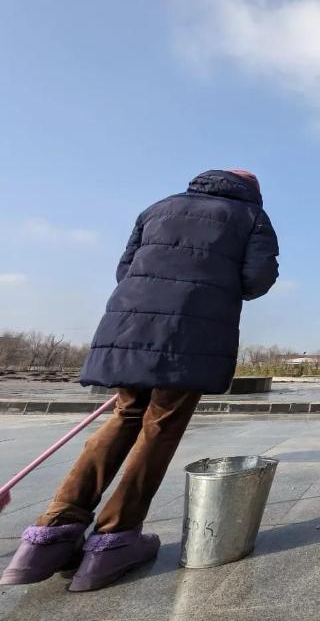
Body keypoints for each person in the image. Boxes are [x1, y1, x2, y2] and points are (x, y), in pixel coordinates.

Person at [0, 169, 279, 592]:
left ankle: (52, 532)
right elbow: (256, 279)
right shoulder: (249, 217)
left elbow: (124, 270)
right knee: (161, 425)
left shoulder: (158, 208)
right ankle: (115, 536)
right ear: (251, 191)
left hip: (131, 325)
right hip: (192, 329)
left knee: (124, 414)